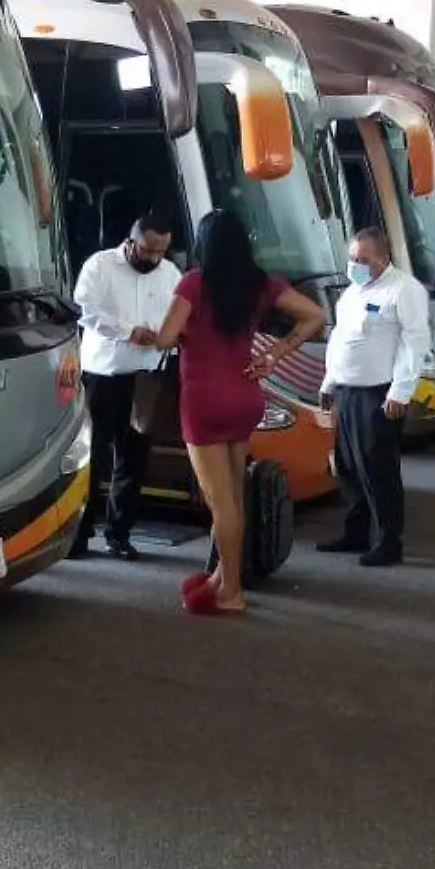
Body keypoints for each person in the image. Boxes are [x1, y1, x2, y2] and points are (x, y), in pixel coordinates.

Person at [147, 209, 325, 613]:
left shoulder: (193, 282)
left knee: (219, 501)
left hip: (204, 400)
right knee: (235, 498)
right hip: (245, 395)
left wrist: (153, 334)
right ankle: (223, 578)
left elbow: (165, 339)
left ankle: (231, 591)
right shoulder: (260, 284)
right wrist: (276, 354)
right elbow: (316, 315)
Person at [69, 211, 182, 559]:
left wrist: (165, 338)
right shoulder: (100, 266)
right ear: (131, 241)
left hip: (146, 378)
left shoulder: (170, 274)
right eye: (148, 250)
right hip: (103, 375)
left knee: (133, 461)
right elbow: (83, 307)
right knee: (94, 458)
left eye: (161, 251)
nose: (154, 258)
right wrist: (127, 331)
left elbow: (176, 316)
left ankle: (119, 535)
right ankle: (79, 534)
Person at [317, 226, 430, 567]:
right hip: (348, 393)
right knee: (349, 468)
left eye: (363, 260)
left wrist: (401, 391)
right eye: (352, 259)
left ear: (384, 258)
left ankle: (388, 541)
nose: (356, 265)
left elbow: (415, 342)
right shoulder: (351, 292)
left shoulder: (404, 289)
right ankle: (356, 533)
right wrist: (329, 383)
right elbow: (339, 342)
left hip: (379, 395)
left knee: (378, 470)